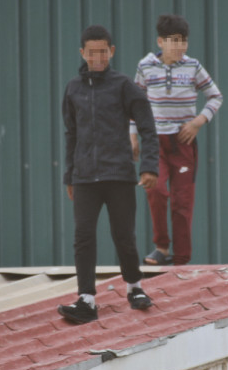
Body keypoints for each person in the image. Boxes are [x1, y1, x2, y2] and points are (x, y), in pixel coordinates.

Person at [59, 24, 160, 324]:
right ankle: (86, 299)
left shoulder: (124, 85)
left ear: (111, 51)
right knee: (83, 236)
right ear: (83, 53)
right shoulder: (73, 89)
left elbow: (147, 127)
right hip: (85, 178)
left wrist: (149, 166)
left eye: (103, 51)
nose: (98, 57)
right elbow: (71, 134)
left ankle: (135, 288)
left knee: (123, 236)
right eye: (92, 52)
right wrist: (69, 176)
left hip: (119, 175)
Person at [130, 14, 223, 267]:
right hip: (154, 143)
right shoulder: (146, 67)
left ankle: (181, 258)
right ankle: (161, 246)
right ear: (160, 42)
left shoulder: (193, 67)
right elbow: (135, 104)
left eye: (183, 41)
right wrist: (133, 136)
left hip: (183, 145)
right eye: (173, 41)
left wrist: (198, 122)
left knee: (183, 200)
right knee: (156, 189)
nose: (179, 46)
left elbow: (215, 96)